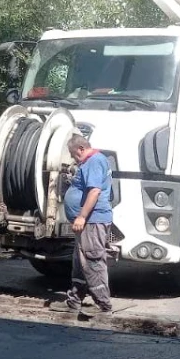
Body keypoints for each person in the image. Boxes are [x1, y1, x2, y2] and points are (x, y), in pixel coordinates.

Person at [53, 134, 113, 314]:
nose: (73, 158)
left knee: (93, 260)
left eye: (73, 154)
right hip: (89, 222)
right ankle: (74, 300)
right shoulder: (91, 162)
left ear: (81, 149)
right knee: (80, 262)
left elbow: (94, 191)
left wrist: (81, 216)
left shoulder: (94, 161)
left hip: (92, 221)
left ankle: (103, 305)